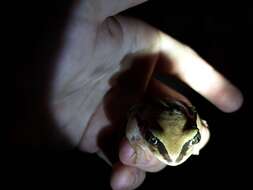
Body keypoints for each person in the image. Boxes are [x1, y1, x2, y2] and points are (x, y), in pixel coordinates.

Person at [41, 1, 243, 189]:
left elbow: (196, 125)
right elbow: (136, 117)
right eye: (154, 141)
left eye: (192, 140)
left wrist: (192, 138)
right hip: (150, 106)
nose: (174, 158)